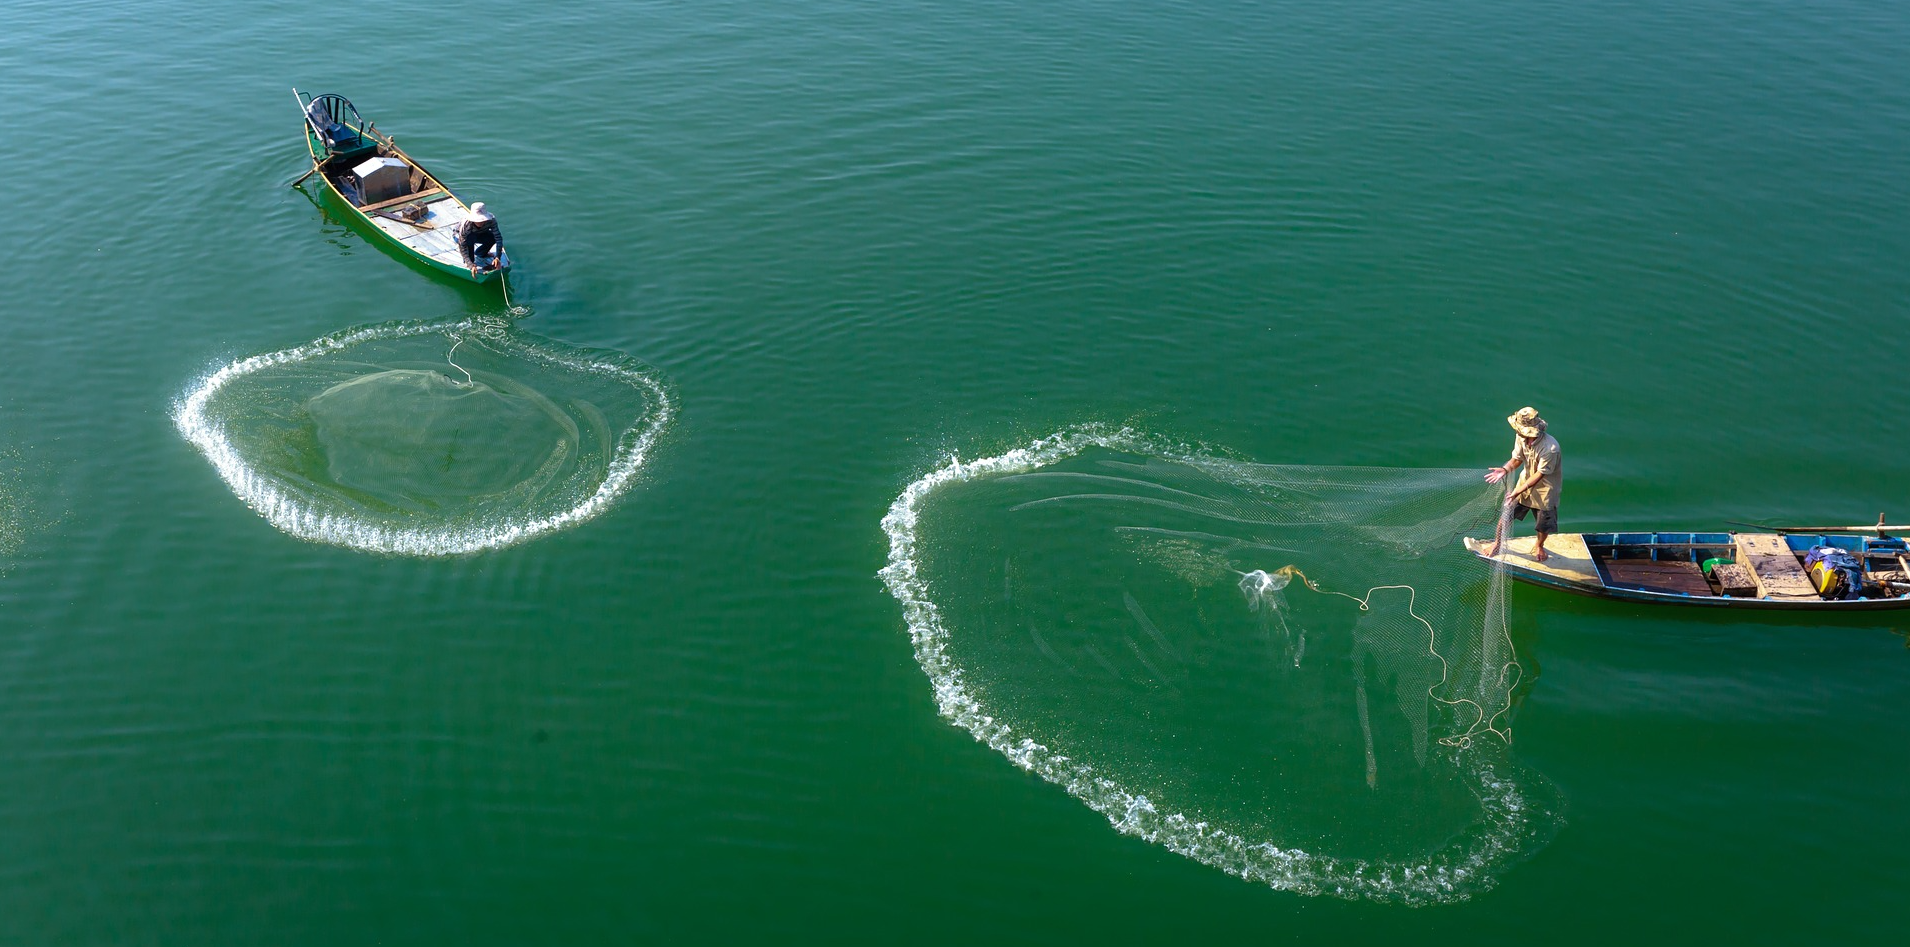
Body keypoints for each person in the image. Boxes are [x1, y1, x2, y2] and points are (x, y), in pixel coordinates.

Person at [1481, 406, 1562, 561]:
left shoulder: (1551, 448)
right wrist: (1505, 469)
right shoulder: (1521, 437)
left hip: (1546, 491)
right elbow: (1517, 459)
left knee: (1543, 525)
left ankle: (1539, 545)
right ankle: (1497, 543)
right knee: (1507, 514)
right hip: (1524, 483)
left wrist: (1517, 491)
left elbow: (1540, 474)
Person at [455, 202, 503, 276]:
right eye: (477, 220)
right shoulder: (467, 224)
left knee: (492, 237)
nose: (480, 222)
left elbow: (498, 238)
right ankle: (470, 261)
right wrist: (470, 264)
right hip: (459, 236)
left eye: (482, 220)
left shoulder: (491, 220)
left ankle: (481, 253)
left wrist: (497, 257)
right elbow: (462, 245)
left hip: (480, 233)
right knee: (470, 240)